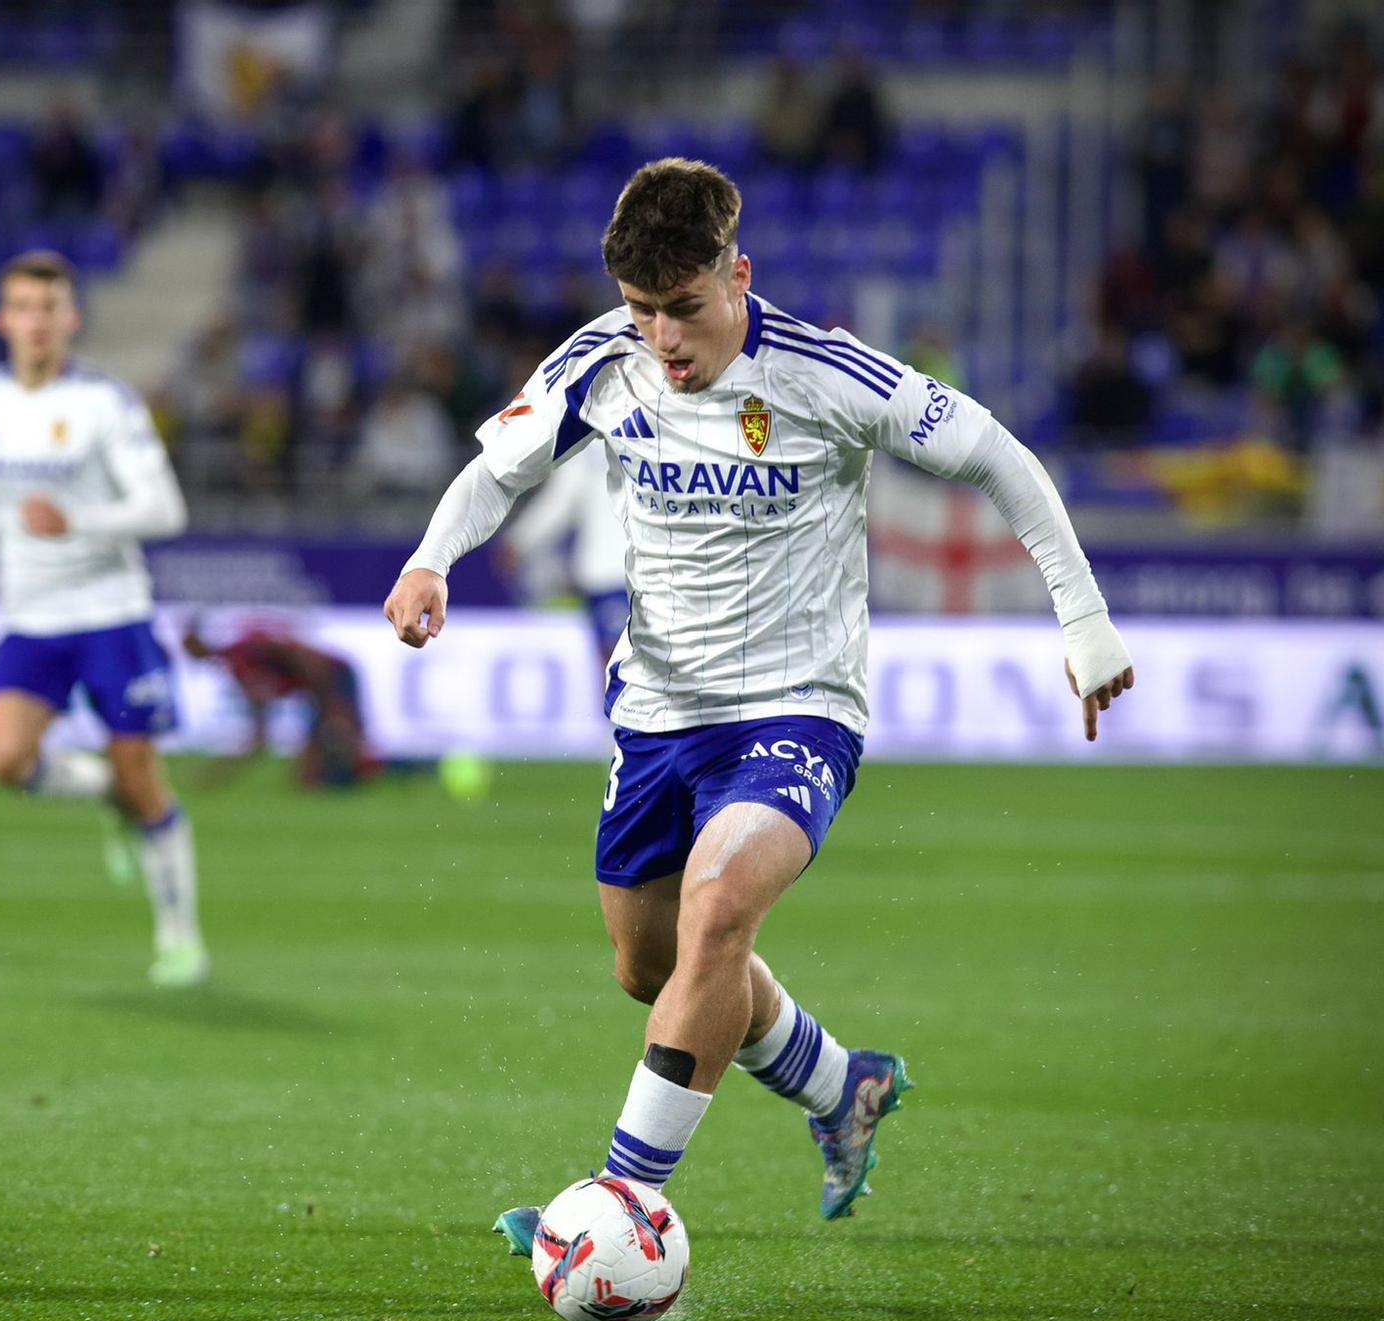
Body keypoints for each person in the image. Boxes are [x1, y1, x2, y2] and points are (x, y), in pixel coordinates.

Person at [381, 159, 1134, 1243]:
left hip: (797, 707)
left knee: (718, 909)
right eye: (641, 311)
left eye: (682, 309)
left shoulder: (828, 377)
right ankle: (841, 1086)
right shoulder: (602, 361)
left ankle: (619, 1202)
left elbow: (997, 458)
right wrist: (428, 562)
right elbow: (496, 474)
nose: (661, 339)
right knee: (652, 966)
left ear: (738, 274)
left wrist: (1082, 619)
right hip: (655, 714)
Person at [0, 251, 207, 988]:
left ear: (72, 319)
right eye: (23, 308)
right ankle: (104, 796)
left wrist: (78, 520)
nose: (36, 322)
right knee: (4, 761)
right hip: (29, 617)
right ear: (3, 320)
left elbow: (166, 509)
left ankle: (180, 937)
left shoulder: (106, 404)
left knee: (145, 777)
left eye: (49, 308)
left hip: (110, 613)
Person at [181, 620, 375, 789]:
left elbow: (299, 653)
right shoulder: (239, 669)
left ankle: (385, 768)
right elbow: (259, 739)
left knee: (340, 739)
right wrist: (216, 775)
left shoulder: (249, 648)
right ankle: (356, 773)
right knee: (308, 780)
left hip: (334, 676)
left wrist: (333, 705)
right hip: (316, 689)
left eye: (188, 644)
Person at [499, 438, 629, 665]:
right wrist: (521, 540)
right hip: (616, 573)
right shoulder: (591, 442)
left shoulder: (589, 439)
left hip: (613, 572)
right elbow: (558, 502)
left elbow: (558, 503)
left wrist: (520, 541)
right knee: (619, 659)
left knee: (617, 659)